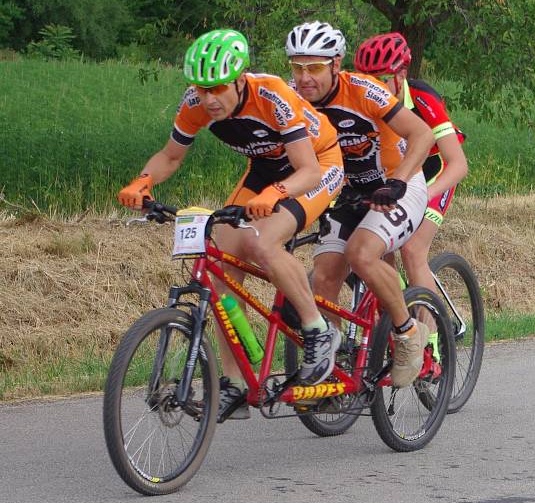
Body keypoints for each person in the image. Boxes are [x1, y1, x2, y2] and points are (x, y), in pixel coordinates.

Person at [117, 29, 345, 422]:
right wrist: (144, 181)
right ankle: (235, 382)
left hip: (318, 165)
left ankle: (319, 331)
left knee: (263, 242)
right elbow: (170, 157)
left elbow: (307, 170)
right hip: (265, 170)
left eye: (217, 88)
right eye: (201, 89)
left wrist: (276, 194)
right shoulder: (196, 103)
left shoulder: (272, 94)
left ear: (240, 80)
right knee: (219, 263)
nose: (208, 99)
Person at [285, 21, 435, 388]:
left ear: (336, 64)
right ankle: (332, 371)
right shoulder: (290, 99)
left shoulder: (363, 90)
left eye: (315, 67)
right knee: (324, 275)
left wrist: (398, 179)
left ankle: (408, 335)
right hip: (349, 192)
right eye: (298, 67)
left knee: (362, 255)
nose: (306, 77)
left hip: (397, 186)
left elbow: (422, 134)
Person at [354, 33, 468, 330]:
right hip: (395, 178)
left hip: (435, 173)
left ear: (400, 75)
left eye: (380, 79)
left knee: (413, 249)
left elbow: (458, 165)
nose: (372, 87)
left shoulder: (421, 97)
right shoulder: (361, 99)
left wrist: (422, 196)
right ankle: (391, 332)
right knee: (379, 245)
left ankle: (430, 342)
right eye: (366, 79)